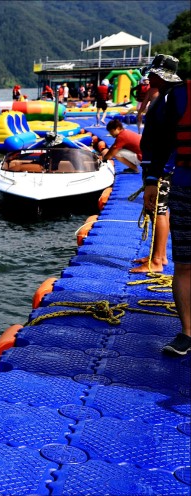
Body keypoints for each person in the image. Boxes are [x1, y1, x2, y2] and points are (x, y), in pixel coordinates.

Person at [138, 54, 190, 355]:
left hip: (178, 179)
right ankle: (187, 333)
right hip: (182, 179)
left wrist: (152, 178)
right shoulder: (172, 98)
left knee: (184, 263)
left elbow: (156, 143)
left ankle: (156, 260)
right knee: (184, 262)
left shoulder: (172, 99)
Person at [136, 55, 183, 275]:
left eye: (154, 73)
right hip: (158, 162)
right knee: (158, 210)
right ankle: (160, 255)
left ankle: (156, 260)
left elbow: (166, 139)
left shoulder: (167, 99)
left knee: (158, 209)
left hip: (161, 165)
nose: (150, 76)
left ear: (162, 75)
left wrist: (156, 174)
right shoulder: (165, 95)